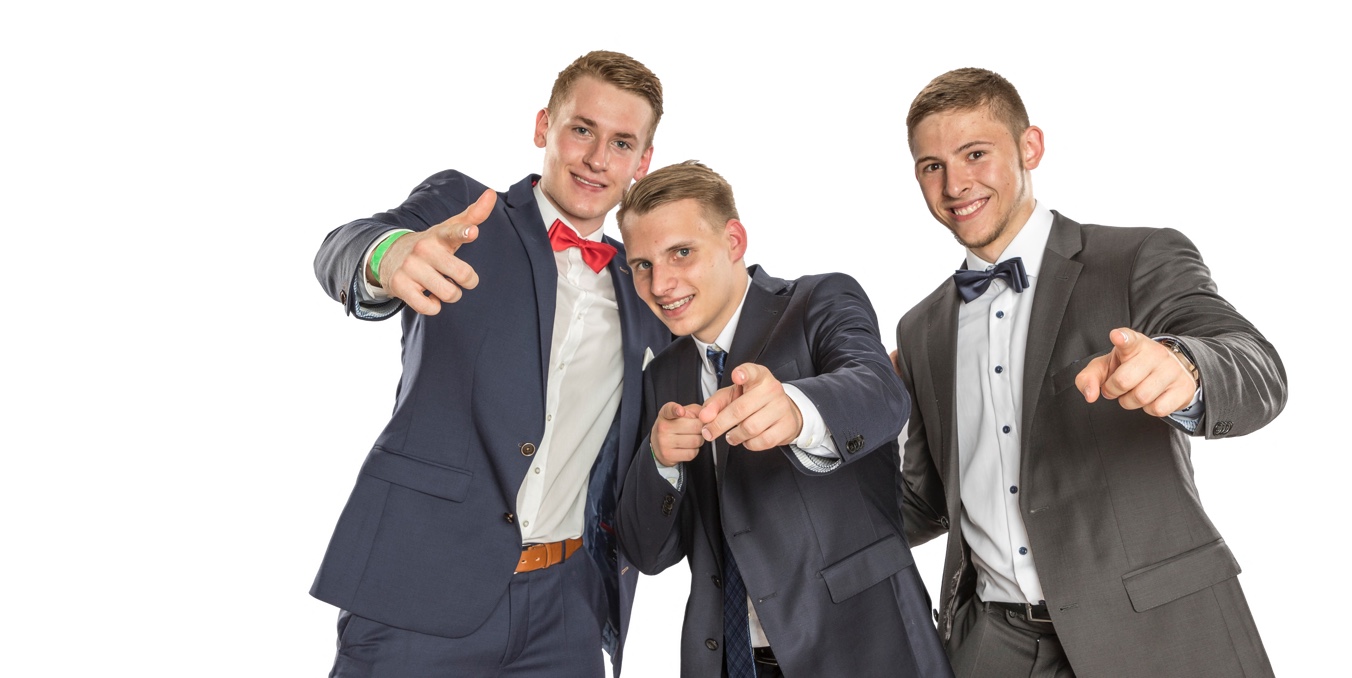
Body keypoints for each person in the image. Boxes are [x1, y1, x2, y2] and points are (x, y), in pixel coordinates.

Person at [895, 68, 1287, 677]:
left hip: (1154, 634)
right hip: (992, 647)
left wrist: (1185, 368)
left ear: (1030, 147)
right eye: (931, 166)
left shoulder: (1136, 258)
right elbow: (925, 503)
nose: (955, 184)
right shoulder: (920, 329)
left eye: (975, 154)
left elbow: (1256, 366)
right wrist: (826, 434)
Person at [308, 51, 671, 677]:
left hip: (566, 607)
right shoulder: (463, 212)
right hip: (418, 585)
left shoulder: (645, 286)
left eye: (621, 143)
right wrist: (388, 257)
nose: (596, 159)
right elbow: (344, 245)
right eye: (581, 129)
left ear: (642, 162)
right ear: (544, 127)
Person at [613, 161, 952, 678]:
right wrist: (658, 461)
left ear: (733, 240)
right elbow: (647, 553)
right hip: (730, 662)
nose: (661, 283)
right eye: (642, 264)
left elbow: (881, 393)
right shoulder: (662, 374)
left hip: (862, 648)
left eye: (681, 252)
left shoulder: (819, 301)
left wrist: (797, 410)